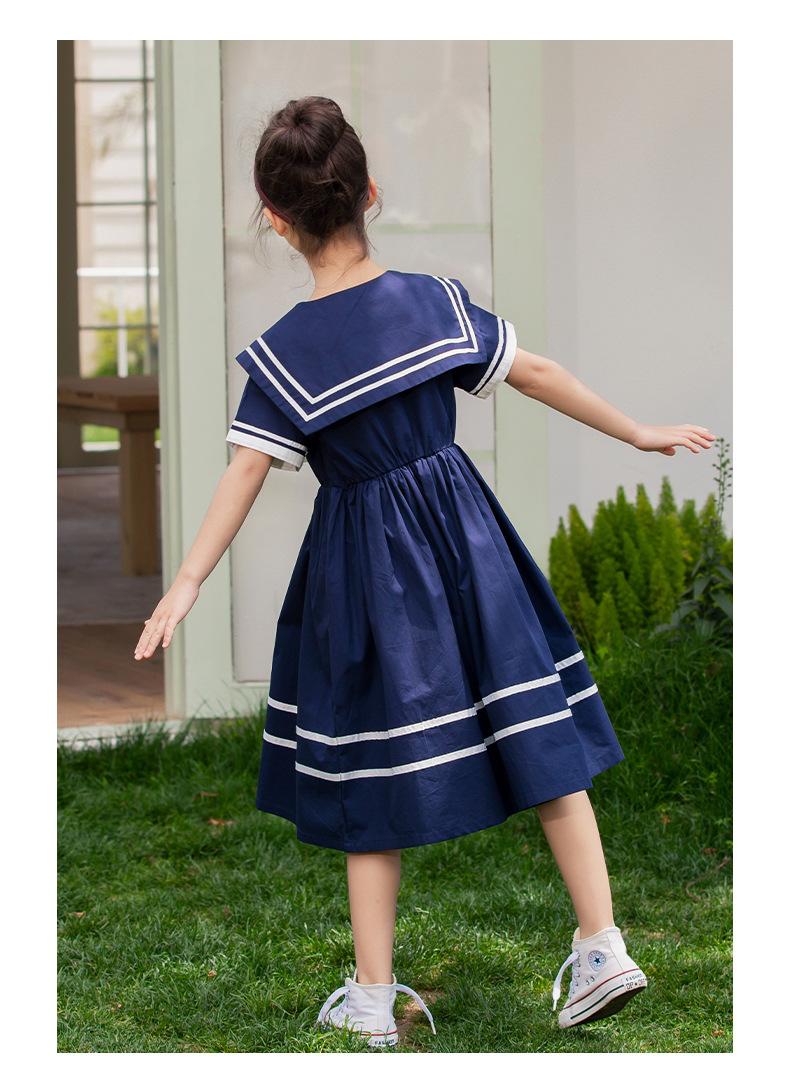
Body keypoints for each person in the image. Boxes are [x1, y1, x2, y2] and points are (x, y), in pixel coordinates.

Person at [134, 95, 715, 1048]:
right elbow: (535, 371)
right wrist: (637, 430)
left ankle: (373, 999)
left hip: (362, 570)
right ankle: (602, 944)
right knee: (536, 728)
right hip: (465, 542)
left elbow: (245, 471)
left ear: (274, 219)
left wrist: (189, 579)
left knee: (367, 771)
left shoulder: (285, 357)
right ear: (370, 191)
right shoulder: (432, 303)